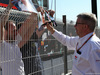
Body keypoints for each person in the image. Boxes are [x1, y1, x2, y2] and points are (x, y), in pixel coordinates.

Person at [0, 0, 37, 75]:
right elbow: (1, 24)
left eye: (16, 30)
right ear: (6, 32)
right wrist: (9, 7)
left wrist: (26, 3)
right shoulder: (2, 45)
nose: (16, 32)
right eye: (13, 31)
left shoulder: (15, 42)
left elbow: (32, 18)